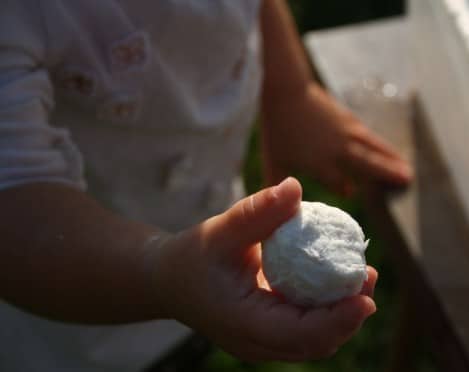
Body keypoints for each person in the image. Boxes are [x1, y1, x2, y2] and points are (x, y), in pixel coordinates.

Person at [0, 0, 412, 371]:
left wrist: (290, 91)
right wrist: (158, 273)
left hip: (210, 252)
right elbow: (13, 203)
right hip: (83, 307)